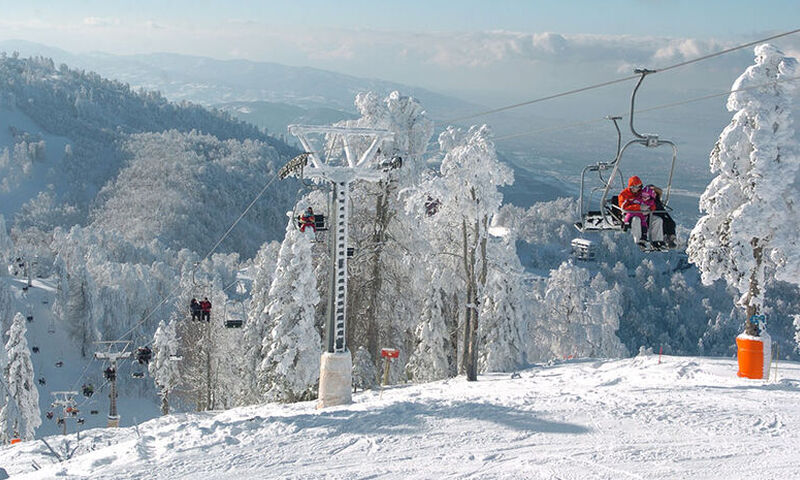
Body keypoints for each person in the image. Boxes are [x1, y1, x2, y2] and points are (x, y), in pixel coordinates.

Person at [619, 175, 665, 250]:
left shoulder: (642, 193)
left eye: (638, 187)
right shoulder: (624, 195)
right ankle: (639, 241)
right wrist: (638, 208)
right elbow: (624, 207)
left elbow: (651, 201)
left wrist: (650, 208)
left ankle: (656, 240)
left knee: (658, 220)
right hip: (630, 215)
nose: (636, 189)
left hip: (644, 215)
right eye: (634, 187)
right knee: (636, 220)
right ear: (631, 187)